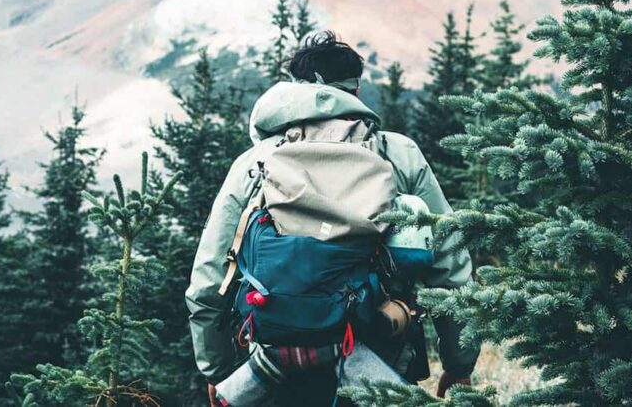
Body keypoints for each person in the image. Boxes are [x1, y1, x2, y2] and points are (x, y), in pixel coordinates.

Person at [185, 31, 480, 406]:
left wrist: (220, 372)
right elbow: (451, 268)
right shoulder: (398, 154)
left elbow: (209, 280)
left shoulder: (255, 163)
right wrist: (459, 364)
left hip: (277, 367)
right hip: (380, 361)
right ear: (355, 89)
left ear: (294, 88)